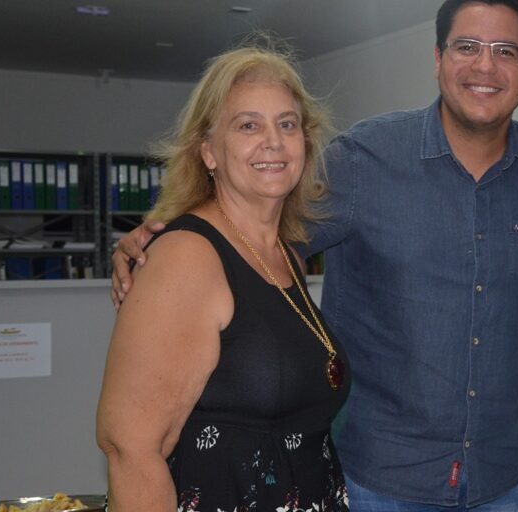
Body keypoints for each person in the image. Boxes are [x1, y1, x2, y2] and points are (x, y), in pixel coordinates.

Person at [109, 3, 518, 509]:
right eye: (467, 47)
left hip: (498, 481)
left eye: (506, 51)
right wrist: (162, 238)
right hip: (376, 482)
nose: (485, 66)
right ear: (438, 58)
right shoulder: (362, 162)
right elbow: (251, 241)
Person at [95, 42, 350, 511]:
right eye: (248, 125)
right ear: (208, 152)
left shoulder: (284, 254)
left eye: (287, 124)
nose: (273, 141)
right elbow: (131, 450)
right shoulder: (187, 256)